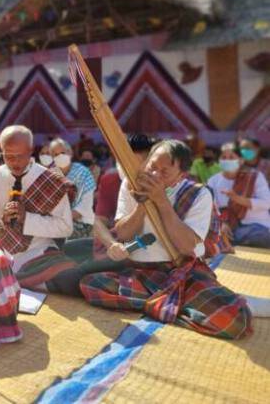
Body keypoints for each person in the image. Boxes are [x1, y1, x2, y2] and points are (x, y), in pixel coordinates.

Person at [80, 140, 252, 339]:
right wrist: (143, 204)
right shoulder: (130, 184)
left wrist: (161, 200)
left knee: (234, 321)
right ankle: (169, 305)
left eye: (164, 172)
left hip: (181, 272)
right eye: (152, 166)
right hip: (141, 273)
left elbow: (187, 246)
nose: (154, 175)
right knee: (91, 284)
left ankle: (164, 304)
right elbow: (124, 234)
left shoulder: (198, 194)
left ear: (181, 176)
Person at [0, 125, 85, 296]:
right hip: (3, 254)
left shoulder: (51, 180)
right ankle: (21, 281)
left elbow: (65, 227)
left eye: (20, 156)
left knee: (70, 279)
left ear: (31, 150)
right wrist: (1, 219)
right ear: (2, 151)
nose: (15, 162)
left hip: (40, 255)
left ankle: (17, 280)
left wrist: (26, 218)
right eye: (8, 156)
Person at [207, 143, 270, 248]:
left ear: (241, 160)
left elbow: (267, 203)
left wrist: (237, 199)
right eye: (223, 157)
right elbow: (211, 209)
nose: (227, 160)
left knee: (260, 237)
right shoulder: (213, 181)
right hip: (227, 228)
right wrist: (221, 224)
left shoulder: (255, 177)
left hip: (256, 226)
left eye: (231, 157)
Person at [50, 138, 96, 239]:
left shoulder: (83, 173)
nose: (59, 156)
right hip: (56, 223)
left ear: (70, 153)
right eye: (56, 154)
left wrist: (57, 221)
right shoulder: (50, 175)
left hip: (82, 224)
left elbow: (83, 208)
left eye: (62, 153)